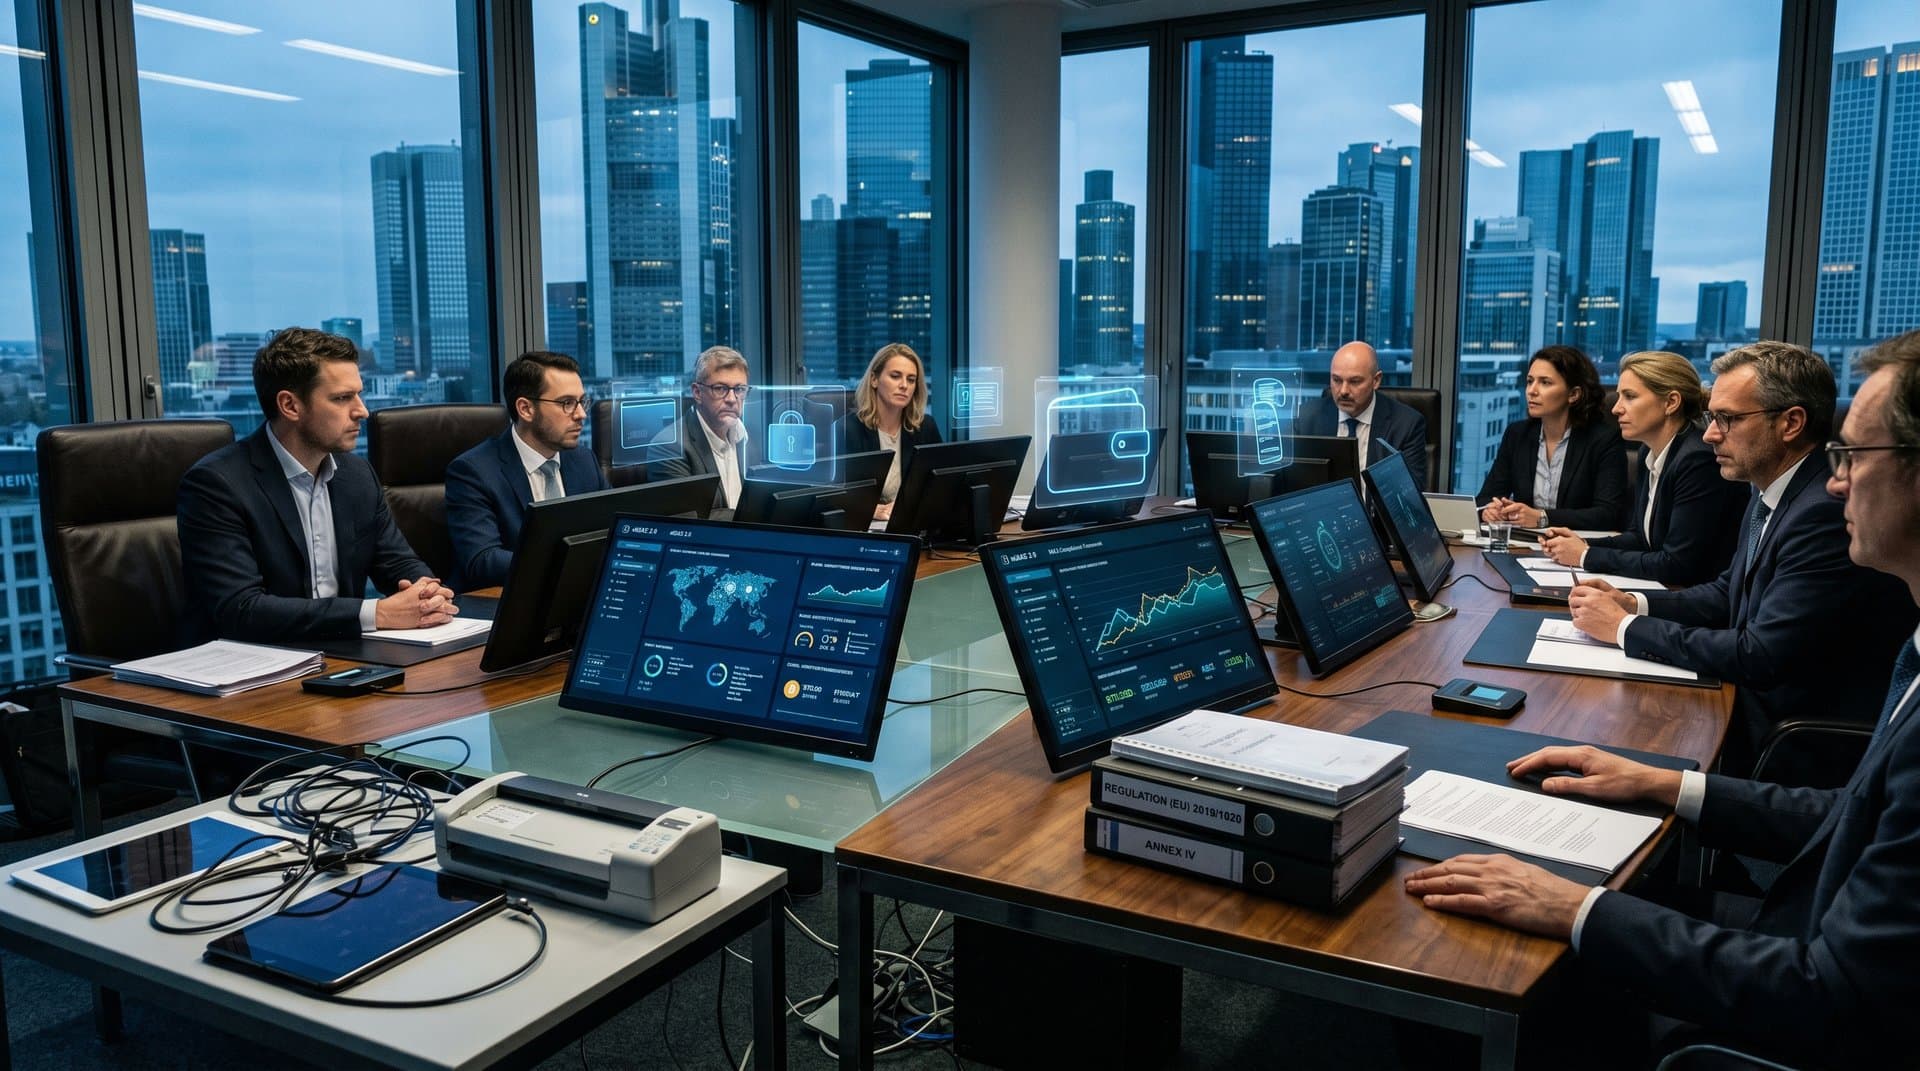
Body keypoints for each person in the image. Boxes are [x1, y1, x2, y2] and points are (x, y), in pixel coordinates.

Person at [1405, 329, 1920, 1068]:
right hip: (1805, 906)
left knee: (1481, 970)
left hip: (1790, 969)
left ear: (1789, 424)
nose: (1837, 480)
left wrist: (1575, 908)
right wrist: (1665, 780)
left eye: (1855, 455)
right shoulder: (1790, 515)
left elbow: (1829, 993)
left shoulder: (1806, 512)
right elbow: (1852, 808)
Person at [1566, 340, 1915, 770]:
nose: (1710, 433)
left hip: (1789, 739)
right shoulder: (1770, 487)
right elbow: (1725, 592)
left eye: (1726, 419)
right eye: (1713, 417)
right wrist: (1633, 602)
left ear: (1790, 423)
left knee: (1594, 734)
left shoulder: (1821, 511)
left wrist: (1624, 628)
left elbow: (1759, 654)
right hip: (1748, 706)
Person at [176, 327, 455, 644]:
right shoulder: (216, 485)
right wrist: (375, 614)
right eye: (341, 398)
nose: (362, 410)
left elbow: (396, 561)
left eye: (358, 394)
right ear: (290, 406)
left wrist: (427, 593)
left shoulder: (357, 474)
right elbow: (242, 609)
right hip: (252, 666)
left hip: (343, 653)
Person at [1540, 351, 1745, 584]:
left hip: (1690, 601)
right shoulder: (1649, 450)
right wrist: (1580, 543)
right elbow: (1641, 538)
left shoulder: (1697, 460)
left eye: (1629, 396)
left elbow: (1678, 565)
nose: (1616, 408)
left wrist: (1586, 556)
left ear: (1671, 402)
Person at [444, 351, 606, 591]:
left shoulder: (583, 461)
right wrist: (568, 562)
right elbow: (482, 560)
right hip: (506, 603)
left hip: (573, 597)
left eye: (582, 401)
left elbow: (610, 530)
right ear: (525, 409)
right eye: (567, 403)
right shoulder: (473, 471)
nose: (581, 414)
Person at [1476, 345, 1629, 531]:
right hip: (1524, 545)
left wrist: (1542, 517)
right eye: (1529, 381)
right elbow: (1486, 498)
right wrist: (1489, 510)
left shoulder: (1604, 440)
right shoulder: (1517, 435)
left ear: (1573, 394)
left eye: (1545, 382)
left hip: (1577, 548)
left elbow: (1608, 514)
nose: (1532, 391)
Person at [1294, 340, 1429, 490]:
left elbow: (1410, 494)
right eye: (1337, 380)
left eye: (1354, 382)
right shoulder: (1307, 418)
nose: (1343, 391)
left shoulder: (1406, 424)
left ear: (1376, 380)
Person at [833, 343, 943, 521]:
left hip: (912, 524)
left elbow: (940, 486)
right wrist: (870, 510)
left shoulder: (925, 427)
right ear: (874, 380)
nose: (904, 385)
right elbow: (834, 497)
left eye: (911, 379)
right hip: (867, 527)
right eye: (895, 376)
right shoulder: (847, 430)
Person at [651, 345, 755, 512]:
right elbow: (690, 520)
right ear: (698, 393)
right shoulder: (668, 446)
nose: (732, 399)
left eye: (739, 389)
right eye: (720, 388)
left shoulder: (749, 438)